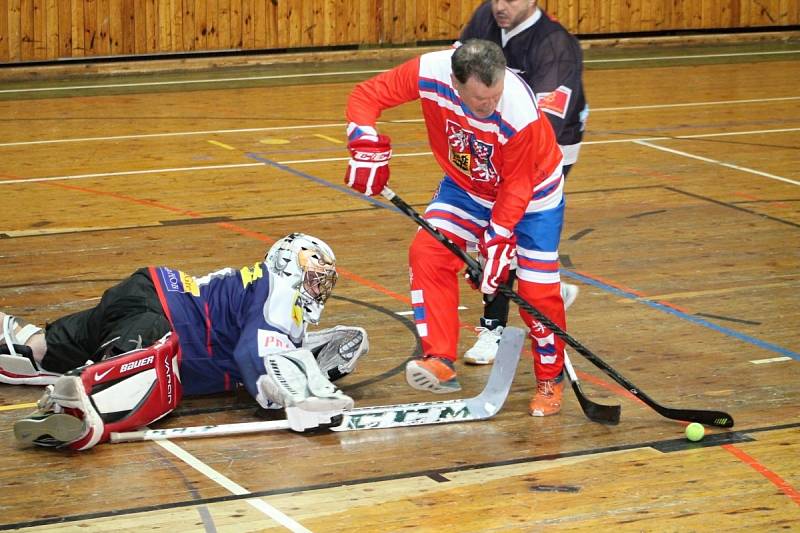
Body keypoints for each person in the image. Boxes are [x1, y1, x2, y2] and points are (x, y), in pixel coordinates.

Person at [343, 39, 567, 416]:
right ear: (455, 82)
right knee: (428, 252)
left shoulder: (518, 110)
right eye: (482, 101)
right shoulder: (429, 71)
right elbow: (367, 95)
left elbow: (517, 185)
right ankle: (440, 359)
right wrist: (363, 141)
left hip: (533, 196)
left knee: (537, 290)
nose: (491, 106)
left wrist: (497, 238)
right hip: (466, 187)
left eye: (495, 96)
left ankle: (550, 378)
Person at [1, 233, 368, 450]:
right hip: (160, 313)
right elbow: (256, 356)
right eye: (316, 276)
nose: (320, 287)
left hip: (144, 297)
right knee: (150, 370)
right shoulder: (280, 290)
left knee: (43, 350)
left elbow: (265, 349)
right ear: (293, 264)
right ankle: (79, 399)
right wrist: (298, 401)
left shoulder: (266, 294)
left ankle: (19, 340)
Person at [460, 0, 588, 366]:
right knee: (495, 235)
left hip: (547, 151)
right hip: (499, 143)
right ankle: (544, 289)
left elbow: (540, 137)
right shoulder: (486, 17)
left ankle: (492, 328)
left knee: (504, 233)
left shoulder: (555, 47)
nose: (500, 5)